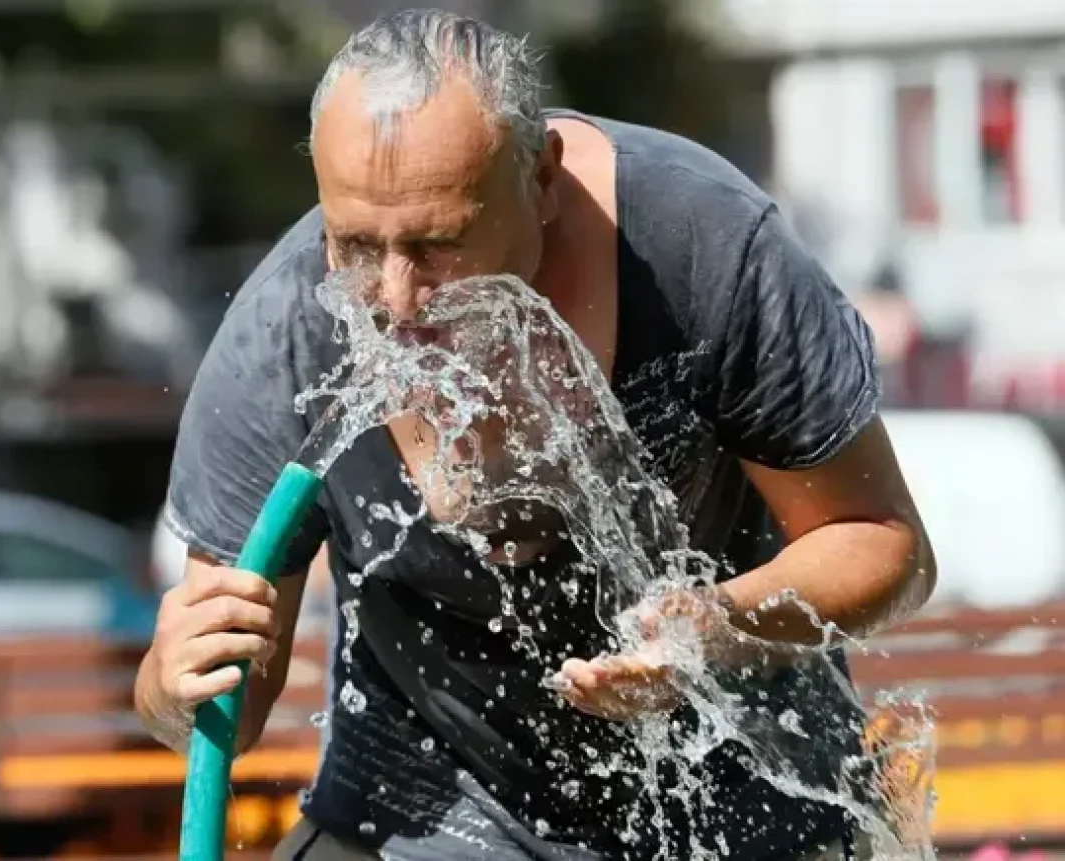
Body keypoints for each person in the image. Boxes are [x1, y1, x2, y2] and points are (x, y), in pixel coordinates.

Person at [134, 10, 935, 860]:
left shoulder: (700, 252)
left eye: (440, 245)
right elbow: (221, 721)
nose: (398, 301)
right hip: (422, 812)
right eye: (357, 244)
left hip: (741, 802)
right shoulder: (285, 338)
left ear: (543, 178)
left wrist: (714, 627)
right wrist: (167, 684)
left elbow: (886, 549)